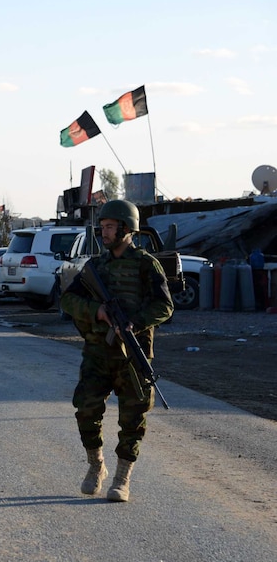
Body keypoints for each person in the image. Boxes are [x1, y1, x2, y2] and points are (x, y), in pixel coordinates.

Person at [60, 199, 174, 502]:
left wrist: (134, 323)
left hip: (133, 357)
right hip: (98, 352)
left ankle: (123, 477)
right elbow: (67, 301)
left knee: (133, 417)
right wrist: (96, 311)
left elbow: (165, 306)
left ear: (126, 229)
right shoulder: (95, 267)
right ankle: (96, 466)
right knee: (85, 409)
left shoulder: (146, 264)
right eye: (103, 227)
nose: (104, 233)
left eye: (109, 227)